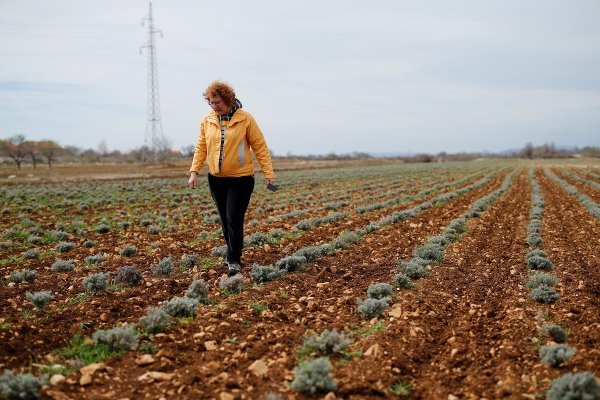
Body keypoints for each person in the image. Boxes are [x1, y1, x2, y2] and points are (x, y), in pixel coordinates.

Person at [188, 81, 275, 276]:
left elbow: (260, 147)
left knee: (234, 217)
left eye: (217, 102)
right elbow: (201, 147)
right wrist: (194, 171)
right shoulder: (207, 120)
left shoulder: (246, 119)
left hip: (241, 179)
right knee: (225, 220)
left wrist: (268, 173)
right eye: (211, 103)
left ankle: (233, 259)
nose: (214, 106)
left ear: (228, 100)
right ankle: (233, 253)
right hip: (216, 179)